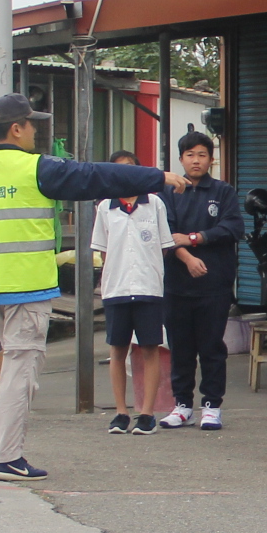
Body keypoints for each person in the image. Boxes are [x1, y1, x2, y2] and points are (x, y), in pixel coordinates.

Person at [0, 93, 183, 482]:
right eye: (31, 124)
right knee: (22, 370)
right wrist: (156, 178)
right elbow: (96, 176)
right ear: (16, 129)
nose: (35, 132)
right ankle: (6, 457)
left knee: (14, 366)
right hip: (27, 285)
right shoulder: (36, 168)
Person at [157, 132, 241, 430]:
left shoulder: (223, 191)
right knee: (180, 347)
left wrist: (195, 238)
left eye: (202, 155)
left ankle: (211, 405)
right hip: (176, 284)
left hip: (214, 284)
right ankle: (182, 405)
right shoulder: (168, 193)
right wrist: (188, 258)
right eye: (190, 155)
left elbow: (232, 227)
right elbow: (164, 233)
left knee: (211, 347)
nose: (196, 160)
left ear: (211, 159)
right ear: (181, 159)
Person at [91, 149, 172, 434]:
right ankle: (121, 412)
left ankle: (147, 413)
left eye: (130, 168)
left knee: (150, 348)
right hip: (117, 287)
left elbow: (163, 246)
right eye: (118, 169)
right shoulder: (105, 207)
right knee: (117, 349)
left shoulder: (155, 204)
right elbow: (102, 250)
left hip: (148, 287)